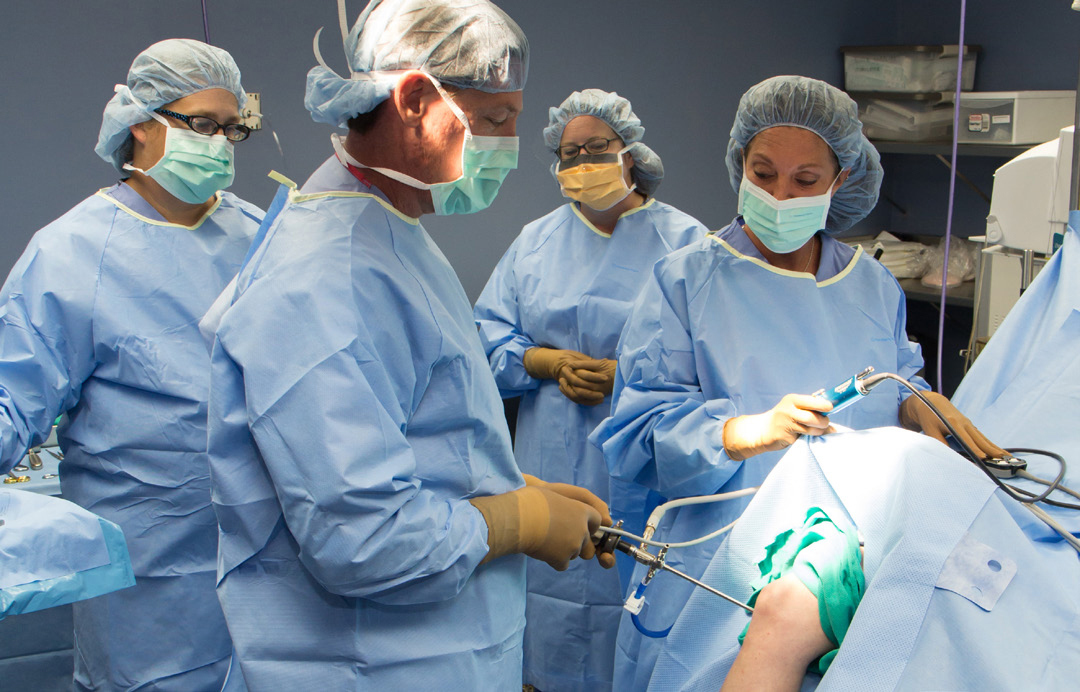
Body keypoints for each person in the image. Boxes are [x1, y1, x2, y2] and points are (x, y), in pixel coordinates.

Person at [200, 1, 612, 689]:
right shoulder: (324, 276)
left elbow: (419, 430)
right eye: (498, 119)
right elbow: (360, 539)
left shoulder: (389, 233)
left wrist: (513, 486)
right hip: (369, 667)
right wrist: (518, 519)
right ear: (418, 99)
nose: (509, 144)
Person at [590, 75, 1006, 691]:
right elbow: (636, 436)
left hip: (849, 565)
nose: (781, 194)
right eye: (763, 173)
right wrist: (743, 432)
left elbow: (894, 381)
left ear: (841, 181)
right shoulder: (684, 282)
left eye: (805, 181)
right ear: (739, 165)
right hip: (721, 570)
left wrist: (921, 404)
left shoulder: (871, 285)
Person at [0, 39, 262, 690]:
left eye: (233, 129)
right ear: (140, 123)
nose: (221, 144)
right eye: (202, 125)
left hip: (274, 573)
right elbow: (10, 395)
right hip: (149, 594)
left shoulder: (264, 240)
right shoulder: (71, 253)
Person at [474, 89, 708, 692]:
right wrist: (542, 361)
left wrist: (626, 377)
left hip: (639, 464)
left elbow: (711, 360)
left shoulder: (685, 244)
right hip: (547, 455)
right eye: (568, 151)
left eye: (596, 148)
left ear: (629, 151)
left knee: (634, 591)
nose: (582, 162)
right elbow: (483, 336)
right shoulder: (535, 242)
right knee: (544, 598)